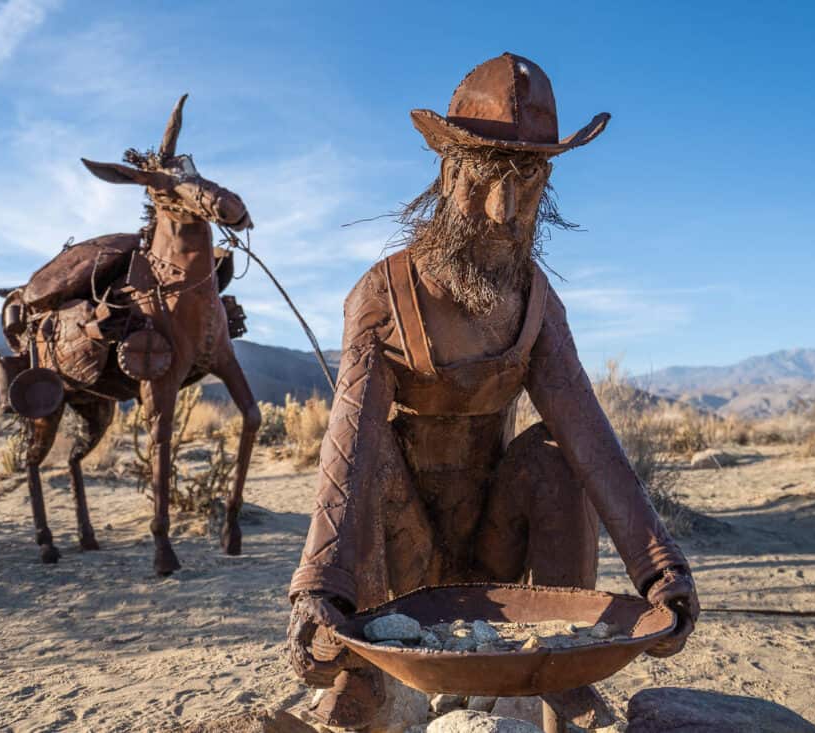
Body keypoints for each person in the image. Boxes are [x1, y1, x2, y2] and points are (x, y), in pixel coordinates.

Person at [286, 53, 699, 728]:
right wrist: (317, 587)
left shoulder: (536, 304)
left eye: (529, 179)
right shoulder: (383, 296)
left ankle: (564, 667)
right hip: (404, 553)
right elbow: (348, 440)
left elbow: (589, 436)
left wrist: (662, 574)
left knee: (556, 454)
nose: (506, 211)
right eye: (485, 177)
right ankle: (359, 678)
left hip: (494, 542)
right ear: (450, 173)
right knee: (371, 459)